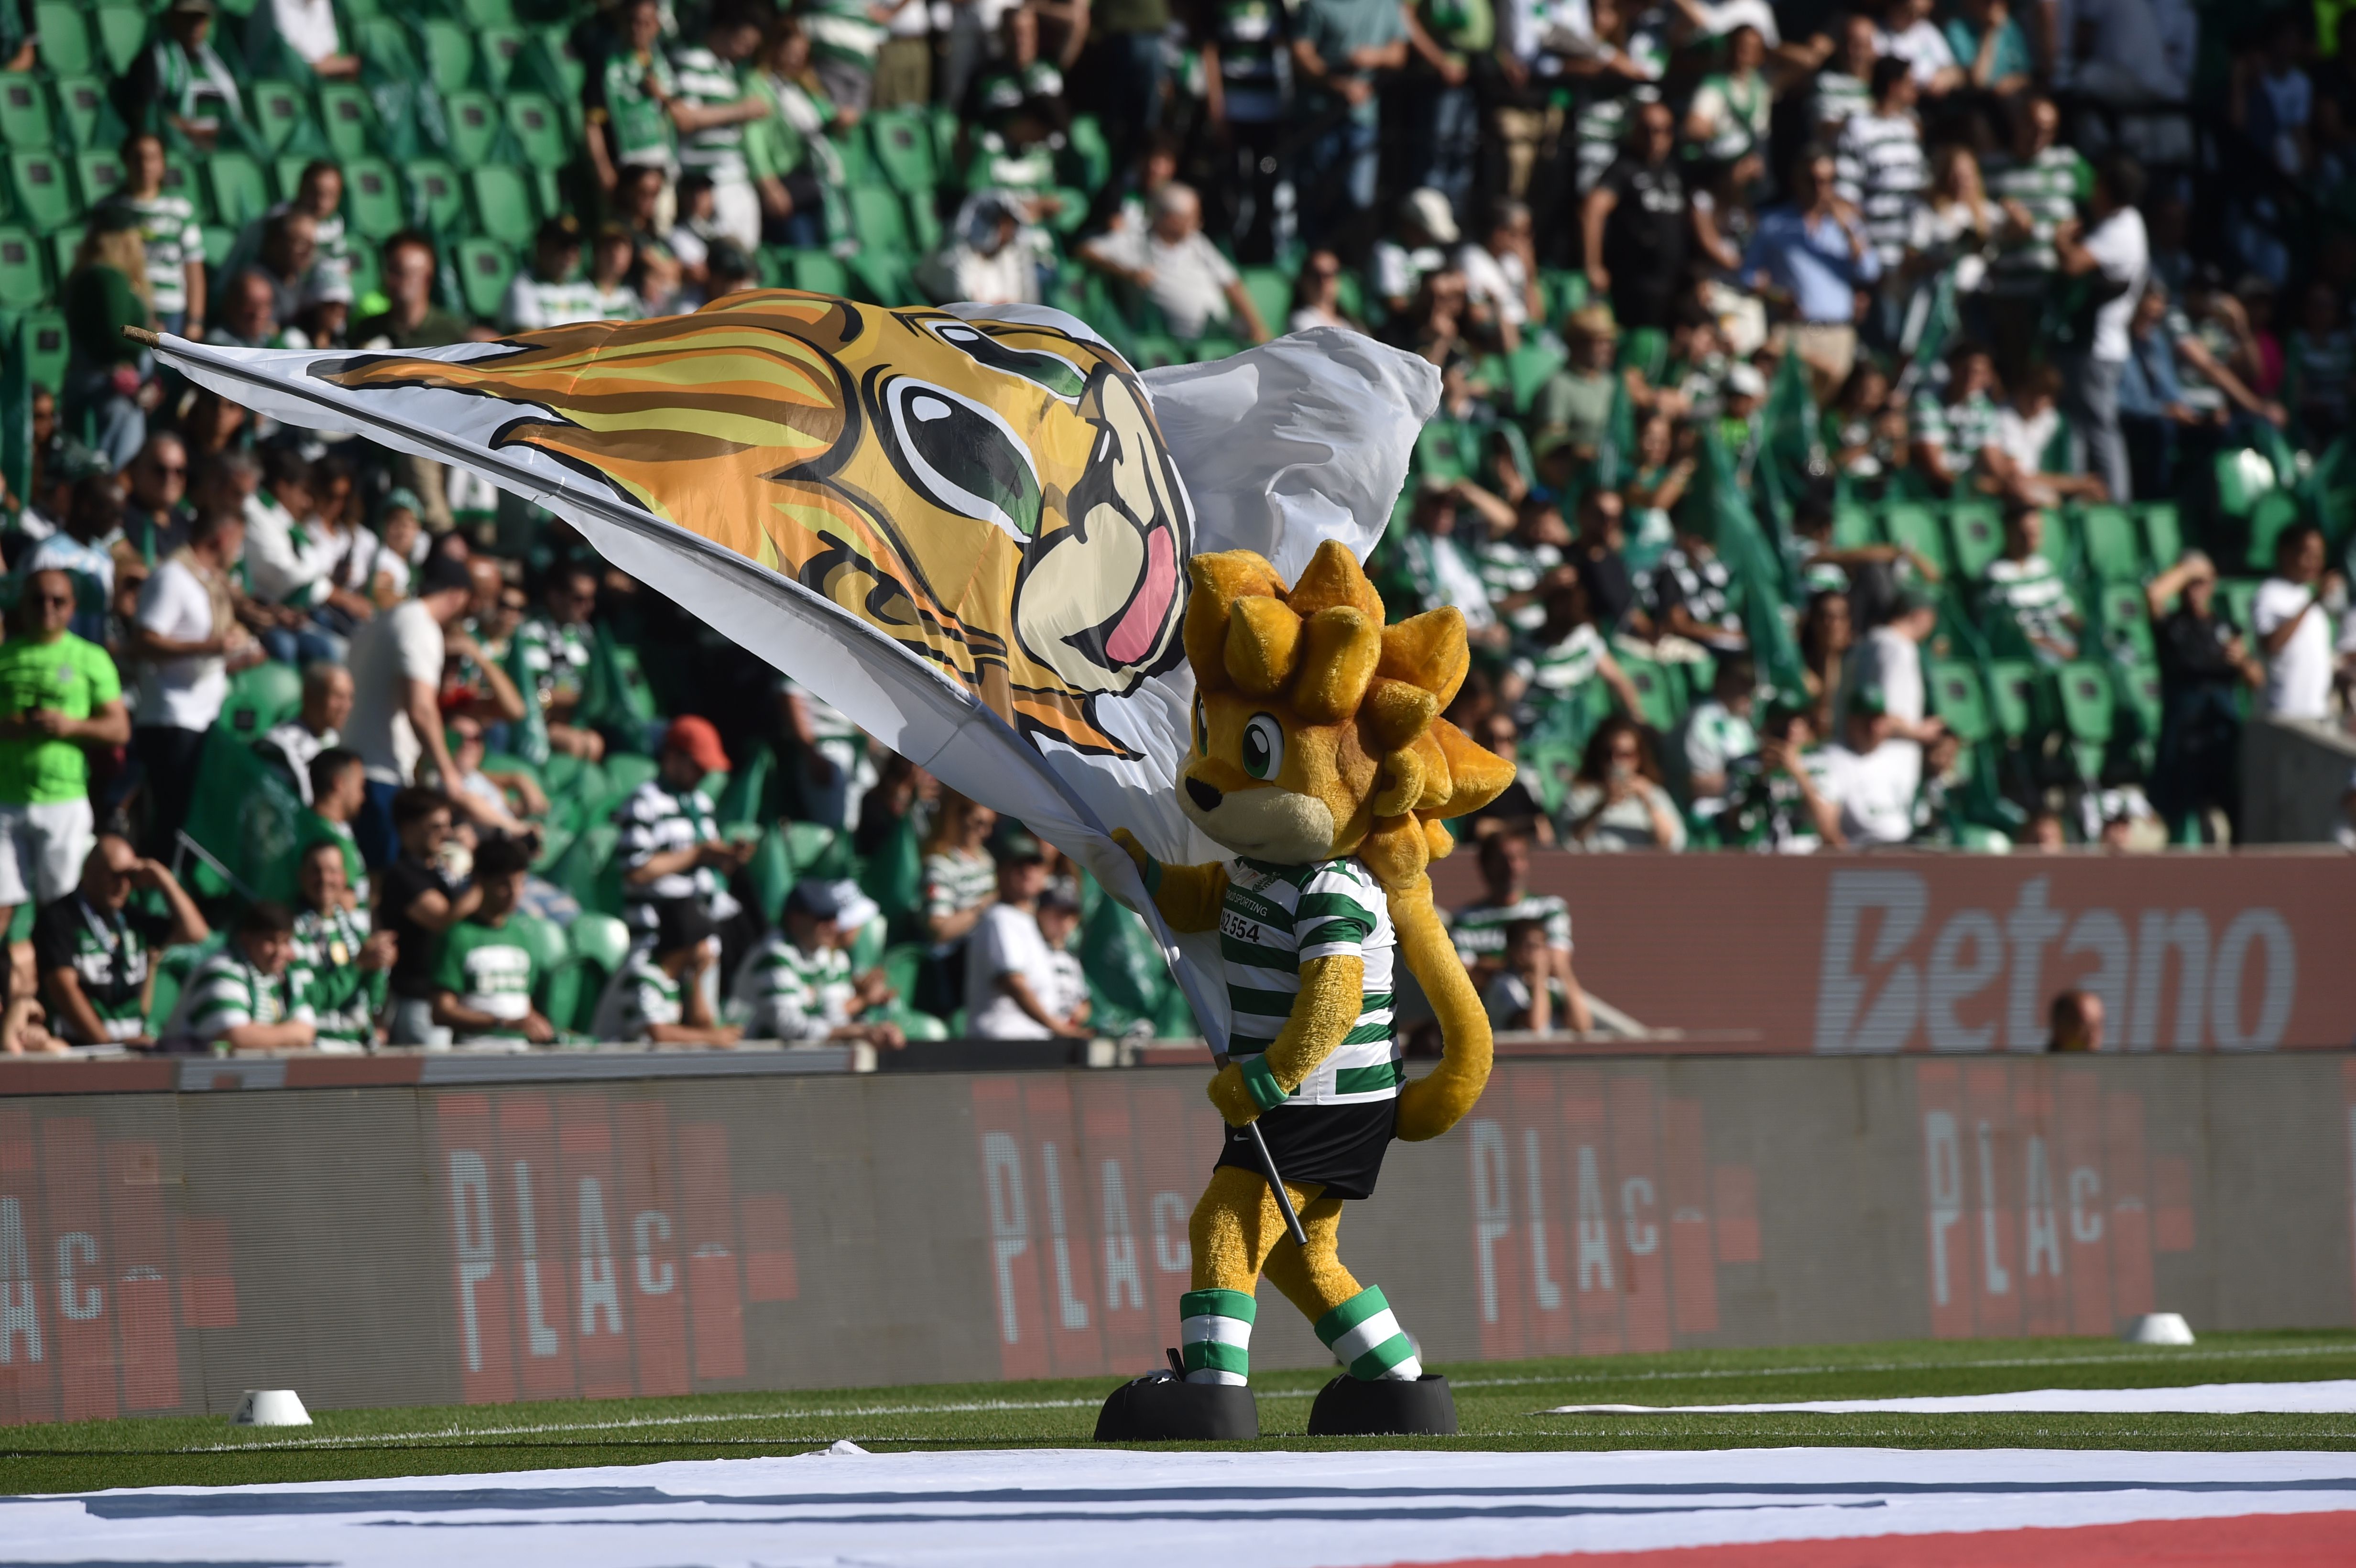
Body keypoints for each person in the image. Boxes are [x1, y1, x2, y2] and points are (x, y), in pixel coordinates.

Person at [0, 567, 129, 943]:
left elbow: (119, 729)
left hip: (63, 801)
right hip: (5, 803)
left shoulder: (91, 658)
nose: (48, 609)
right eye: (38, 600)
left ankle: (54, 988)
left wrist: (70, 727)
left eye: (58, 601)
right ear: (23, 605)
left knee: (59, 908)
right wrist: (15, 727)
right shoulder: (5, 657)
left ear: (73, 608)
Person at [129, 507, 258, 859]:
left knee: (190, 825)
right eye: (239, 542)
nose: (239, 552)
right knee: (169, 823)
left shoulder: (210, 583)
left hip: (203, 718)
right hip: (171, 719)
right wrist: (211, 647)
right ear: (223, 538)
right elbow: (143, 641)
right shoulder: (172, 577)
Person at [344, 551, 473, 866]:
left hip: (354, 767)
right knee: (378, 882)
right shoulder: (421, 627)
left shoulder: (387, 619)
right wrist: (447, 773)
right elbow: (421, 708)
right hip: (380, 775)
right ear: (458, 596)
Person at [36, 833, 209, 1048]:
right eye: (114, 875)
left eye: (130, 877)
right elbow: (63, 989)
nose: (123, 885)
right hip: (79, 1050)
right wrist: (108, 1046)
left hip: (132, 1047)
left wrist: (162, 879)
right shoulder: (59, 918)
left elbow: (196, 934)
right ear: (89, 872)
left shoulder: (131, 916)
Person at [1745, 146, 1882, 404]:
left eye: (1829, 181)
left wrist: (1850, 231)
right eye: (1813, 181)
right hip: (1794, 330)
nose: (1821, 189)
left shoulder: (1848, 227)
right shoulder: (1773, 224)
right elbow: (1749, 276)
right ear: (1798, 181)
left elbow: (1870, 271)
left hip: (1838, 334)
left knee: (1821, 408)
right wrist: (1776, 296)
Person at [2053, 155, 2149, 503]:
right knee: (2080, 427)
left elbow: (2073, 265)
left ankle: (2117, 503)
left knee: (2099, 429)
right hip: (2102, 345)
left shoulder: (2119, 230)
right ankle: (2082, 496)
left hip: (2098, 347)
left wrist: (2061, 239)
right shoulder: (2129, 221)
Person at [2147, 552, 2260, 840]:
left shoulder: (2225, 628)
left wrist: (2243, 661)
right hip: (2183, 730)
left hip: (2220, 729)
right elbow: (2154, 595)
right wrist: (2188, 568)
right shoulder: (2173, 626)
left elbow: (2257, 680)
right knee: (2181, 816)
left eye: (2201, 583)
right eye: (2189, 583)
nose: (2194, 590)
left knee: (2233, 813)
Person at [1079, 184, 1272, 344]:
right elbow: (1086, 251)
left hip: (1220, 333)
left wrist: (1256, 326)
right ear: (1170, 219)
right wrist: (1130, 274)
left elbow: (1230, 281)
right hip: (1172, 345)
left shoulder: (1197, 242)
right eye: (1192, 218)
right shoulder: (1135, 242)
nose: (1199, 223)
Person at [615, 715, 749, 942]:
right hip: (657, 934)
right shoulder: (643, 802)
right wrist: (697, 854)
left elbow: (710, 869)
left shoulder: (702, 804)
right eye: (696, 766)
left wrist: (729, 858)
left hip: (705, 928)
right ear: (672, 756)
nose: (703, 774)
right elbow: (635, 872)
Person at [730, 879, 904, 1045]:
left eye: (835, 917)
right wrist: (858, 1031)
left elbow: (835, 1018)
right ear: (796, 919)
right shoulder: (774, 954)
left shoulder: (833, 958)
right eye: (823, 918)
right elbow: (788, 1027)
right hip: (755, 1062)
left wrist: (875, 1031)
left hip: (802, 1063)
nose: (833, 926)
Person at [1448, 830, 1590, 1033]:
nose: (1512, 867)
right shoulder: (1465, 920)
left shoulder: (1550, 908)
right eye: (1503, 859)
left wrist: (1489, 964)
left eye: (1519, 858)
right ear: (1485, 866)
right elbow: (1465, 980)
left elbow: (1558, 964)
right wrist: (1524, 967)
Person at [379, 787, 480, 1046]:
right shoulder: (402, 876)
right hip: (416, 1002)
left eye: (448, 825)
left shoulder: (438, 871)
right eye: (435, 826)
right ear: (408, 828)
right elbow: (443, 919)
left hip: (446, 999)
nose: (446, 834)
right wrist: (485, 878)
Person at [431, 835, 553, 1049]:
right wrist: (501, 1023)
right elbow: (442, 1011)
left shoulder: (523, 935)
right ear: (481, 881)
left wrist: (536, 1023)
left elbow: (521, 1004)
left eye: (520, 883)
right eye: (504, 884)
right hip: (474, 1057)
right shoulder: (459, 936)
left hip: (520, 1057)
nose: (515, 893)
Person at [1580, 101, 1691, 333]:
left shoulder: (1673, 172)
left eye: (1663, 131)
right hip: (1633, 285)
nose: (1655, 139)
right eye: (1647, 130)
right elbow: (1593, 210)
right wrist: (1594, 265)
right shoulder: (1623, 169)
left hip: (1670, 286)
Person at [965, 836, 1090, 1039]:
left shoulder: (1028, 921)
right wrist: (1058, 1028)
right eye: (1017, 865)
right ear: (1000, 872)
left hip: (1028, 1042)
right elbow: (1014, 984)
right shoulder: (999, 918)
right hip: (1002, 1043)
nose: (1027, 871)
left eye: (1034, 864)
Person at [61, 206, 155, 468]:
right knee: (120, 463)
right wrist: (154, 342)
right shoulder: (108, 276)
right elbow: (119, 333)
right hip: (108, 384)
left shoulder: (88, 272)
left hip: (92, 378)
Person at [165, 902, 312, 1054]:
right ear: (246, 939)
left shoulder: (286, 978)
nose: (280, 952)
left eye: (286, 942)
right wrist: (293, 1034)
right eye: (271, 941)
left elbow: (308, 1031)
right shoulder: (221, 970)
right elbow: (234, 1037)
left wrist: (262, 1035)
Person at [593, 895, 742, 1045]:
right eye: (704, 940)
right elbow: (658, 1033)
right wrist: (713, 1038)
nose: (709, 949)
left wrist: (698, 977)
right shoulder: (641, 973)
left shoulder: (674, 979)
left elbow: (703, 1026)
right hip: (611, 1065)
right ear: (689, 942)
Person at [1834, 57, 1927, 280]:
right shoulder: (1857, 128)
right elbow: (1845, 197)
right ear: (1894, 86)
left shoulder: (1908, 128)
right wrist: (1862, 248)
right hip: (1878, 257)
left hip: (1912, 256)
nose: (1916, 89)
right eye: (1910, 83)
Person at [585, 0, 681, 203]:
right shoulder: (606, 65)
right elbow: (593, 122)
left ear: (657, 25)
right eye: (632, 22)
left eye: (645, 23)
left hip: (663, 170)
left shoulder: (663, 63)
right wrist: (604, 170)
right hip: (626, 174)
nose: (637, 29)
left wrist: (661, 96)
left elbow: (683, 117)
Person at [114, 132, 206, 339]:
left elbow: (194, 269)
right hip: (127, 312)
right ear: (125, 161)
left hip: (172, 312)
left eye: (153, 157)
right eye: (137, 158)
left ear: (163, 163)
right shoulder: (110, 210)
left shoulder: (181, 210)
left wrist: (195, 320)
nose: (145, 165)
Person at [1719, 700, 1843, 851]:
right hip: (1755, 855)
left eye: (1796, 722)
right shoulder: (1743, 766)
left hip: (1803, 856)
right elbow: (1731, 823)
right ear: (1766, 726)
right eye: (1781, 721)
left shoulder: (1819, 764)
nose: (1789, 729)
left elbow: (1829, 829)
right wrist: (1759, 777)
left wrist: (1796, 771)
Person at [1560, 717, 1685, 850]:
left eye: (1625, 755)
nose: (1616, 762)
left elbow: (1672, 845)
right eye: (1608, 754)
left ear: (1638, 757)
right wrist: (1602, 805)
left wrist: (1648, 801)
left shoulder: (1654, 793)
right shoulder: (1580, 793)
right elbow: (1567, 841)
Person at [2252, 524, 2336, 721]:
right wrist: (2312, 602)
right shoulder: (2269, 594)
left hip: (2317, 712)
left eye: (2319, 556)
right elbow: (2271, 644)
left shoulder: (2309, 596)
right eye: (2308, 555)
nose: (2315, 563)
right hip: (2283, 711)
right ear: (2285, 553)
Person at [1815, 686, 1917, 845]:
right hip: (1863, 849)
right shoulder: (1832, 756)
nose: (1872, 728)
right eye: (1865, 720)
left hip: (1906, 845)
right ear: (1850, 721)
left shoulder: (1898, 754)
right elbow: (1829, 824)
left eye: (1877, 720)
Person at [1980, 502, 2080, 663]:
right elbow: (2014, 632)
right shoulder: (1995, 573)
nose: (2029, 540)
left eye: (2035, 534)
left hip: (2059, 641)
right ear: (2008, 531)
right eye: (2023, 533)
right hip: (2026, 651)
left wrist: (2089, 637)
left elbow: (2064, 613)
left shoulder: (2042, 567)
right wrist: (2059, 650)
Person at [1669, 653, 1758, 815]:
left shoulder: (1740, 724)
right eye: (1742, 683)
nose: (1748, 691)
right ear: (1721, 681)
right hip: (1706, 820)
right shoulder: (1702, 719)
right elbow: (1696, 785)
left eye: (1751, 685)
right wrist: (1752, 781)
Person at [257, 662, 351, 806]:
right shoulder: (280, 745)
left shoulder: (335, 741)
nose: (345, 706)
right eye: (338, 696)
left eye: (350, 698)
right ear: (310, 696)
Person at [2045, 988, 2104, 1052]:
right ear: (2060, 1026)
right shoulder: (2041, 1061)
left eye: (2098, 1024)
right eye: (2084, 1025)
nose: (2092, 1033)